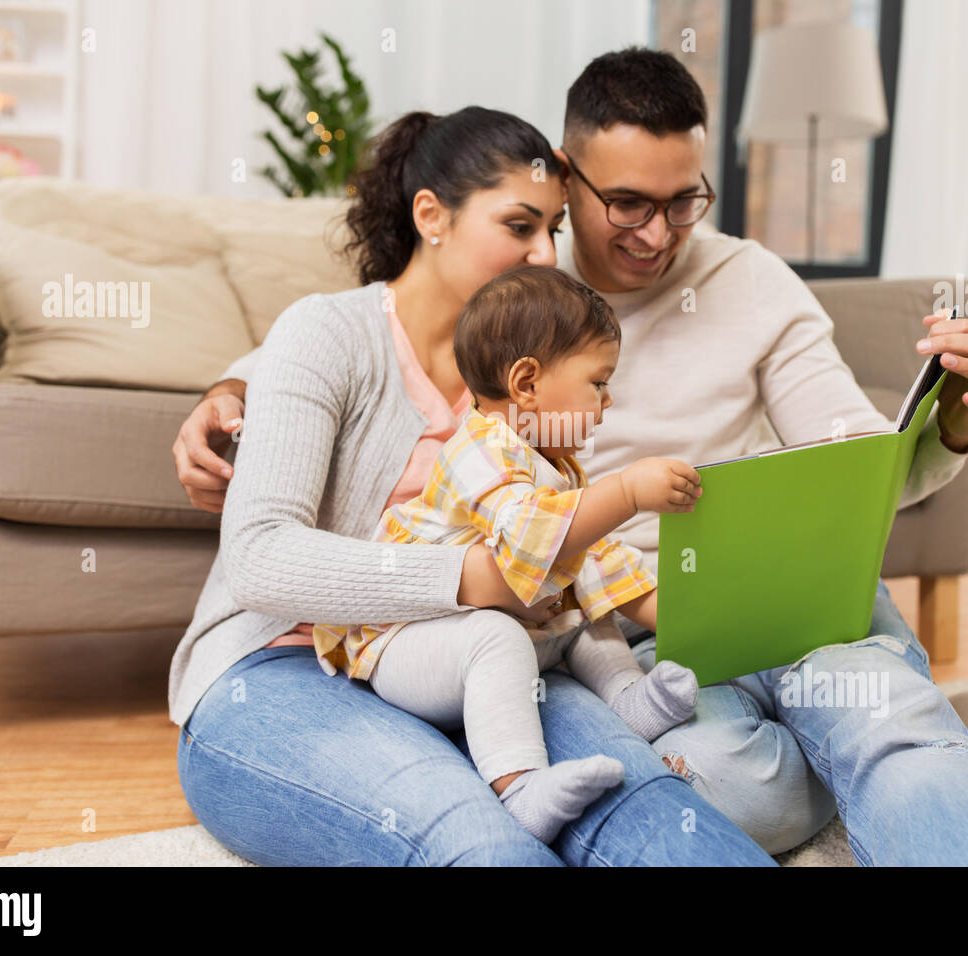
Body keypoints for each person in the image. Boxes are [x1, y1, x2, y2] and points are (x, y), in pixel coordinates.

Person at [176, 49, 968, 865]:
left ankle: (891, 734)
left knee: (863, 733)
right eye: (625, 203)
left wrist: (948, 430)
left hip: (721, 599)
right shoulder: (500, 326)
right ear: (566, 171)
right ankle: (872, 735)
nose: (655, 233)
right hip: (579, 628)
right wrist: (229, 392)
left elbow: (857, 456)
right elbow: (339, 353)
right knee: (709, 795)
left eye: (682, 201)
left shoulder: (729, 286)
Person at [167, 104, 776, 866]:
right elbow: (259, 558)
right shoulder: (329, 334)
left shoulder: (533, 388)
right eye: (520, 227)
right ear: (432, 215)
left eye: (553, 229)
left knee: (641, 802)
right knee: (475, 835)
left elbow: (572, 533)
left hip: (492, 653)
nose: (546, 254)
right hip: (281, 663)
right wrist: (476, 579)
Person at [311, 265, 705, 845]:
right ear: (526, 383)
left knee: (584, 615)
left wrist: (696, 623)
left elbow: (601, 566)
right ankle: (520, 787)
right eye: (598, 382)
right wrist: (626, 492)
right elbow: (530, 541)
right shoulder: (477, 450)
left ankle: (628, 700)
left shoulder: (557, 468)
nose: (608, 400)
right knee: (497, 635)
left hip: (481, 637)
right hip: (407, 643)